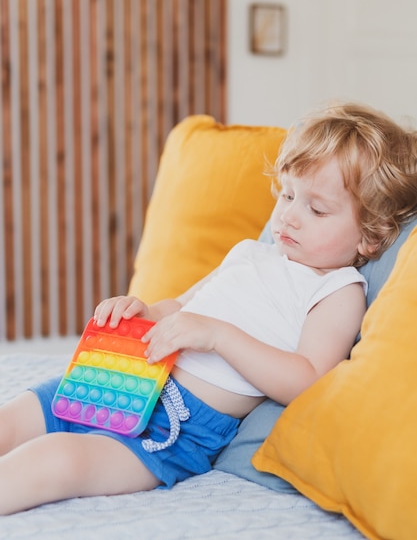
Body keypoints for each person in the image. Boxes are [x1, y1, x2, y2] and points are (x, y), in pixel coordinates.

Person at [1, 102, 417, 515]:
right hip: (125, 377)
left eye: (317, 208)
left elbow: (307, 379)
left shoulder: (337, 290)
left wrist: (219, 336)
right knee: (14, 418)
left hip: (177, 425)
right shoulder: (250, 252)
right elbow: (180, 305)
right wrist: (140, 309)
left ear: (370, 235)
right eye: (287, 194)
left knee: (59, 459)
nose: (289, 216)